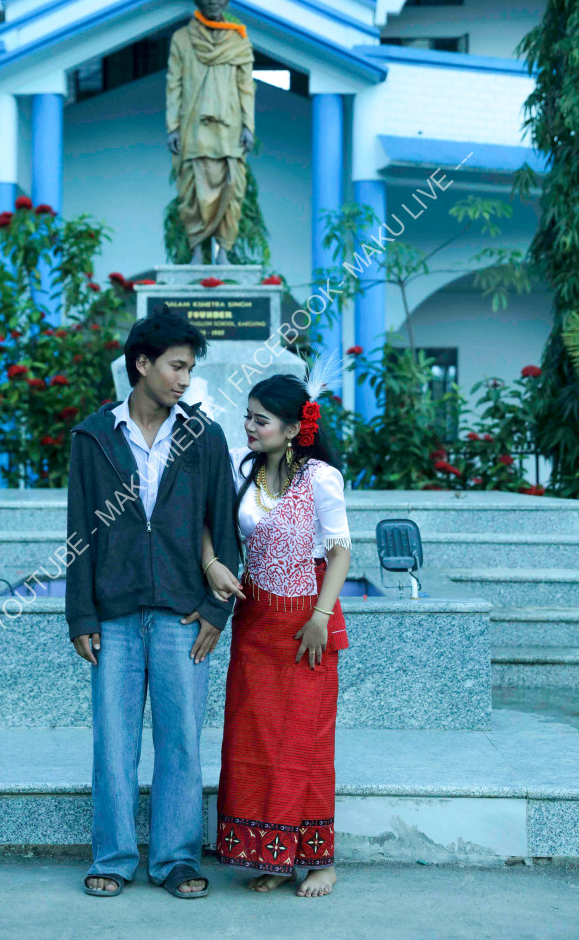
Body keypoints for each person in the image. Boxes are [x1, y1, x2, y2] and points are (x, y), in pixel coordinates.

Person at [65, 303, 241, 899]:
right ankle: (113, 858)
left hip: (182, 614)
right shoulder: (93, 437)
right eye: (176, 366)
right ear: (142, 364)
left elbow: (225, 527)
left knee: (180, 743)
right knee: (113, 743)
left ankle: (176, 859)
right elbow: (79, 530)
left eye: (189, 369)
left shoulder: (203, 436)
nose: (184, 379)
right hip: (113, 615)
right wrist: (80, 613)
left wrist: (216, 610)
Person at [200, 368, 352, 897]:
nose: (248, 426)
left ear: (291, 429)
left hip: (306, 625)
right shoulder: (244, 470)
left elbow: (340, 552)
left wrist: (320, 617)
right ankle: (274, 856)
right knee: (255, 741)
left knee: (306, 744)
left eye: (260, 420)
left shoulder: (321, 478)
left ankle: (320, 863)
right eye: (247, 416)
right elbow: (208, 525)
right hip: (255, 625)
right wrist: (211, 564)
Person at [166, 0, 255, 265]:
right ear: (196, 1)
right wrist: (172, 127)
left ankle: (224, 252)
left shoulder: (239, 41)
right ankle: (196, 251)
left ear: (227, 1)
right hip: (193, 128)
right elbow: (174, 85)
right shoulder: (181, 39)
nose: (213, 0)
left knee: (232, 189)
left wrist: (248, 126)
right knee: (192, 190)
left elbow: (246, 87)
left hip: (230, 129)